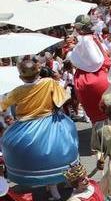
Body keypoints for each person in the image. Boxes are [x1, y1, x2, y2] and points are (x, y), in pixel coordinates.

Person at [0, 57, 78, 193]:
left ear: (20, 76)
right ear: (38, 73)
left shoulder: (17, 91)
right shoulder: (48, 83)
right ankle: (70, 181)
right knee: (65, 143)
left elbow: (3, 105)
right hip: (52, 123)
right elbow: (63, 97)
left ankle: (50, 187)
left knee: (7, 142)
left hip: (25, 129)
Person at [67, 14, 111, 123]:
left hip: (93, 79)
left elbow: (95, 60)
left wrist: (73, 53)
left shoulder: (85, 40)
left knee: (98, 113)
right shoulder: (94, 37)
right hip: (103, 74)